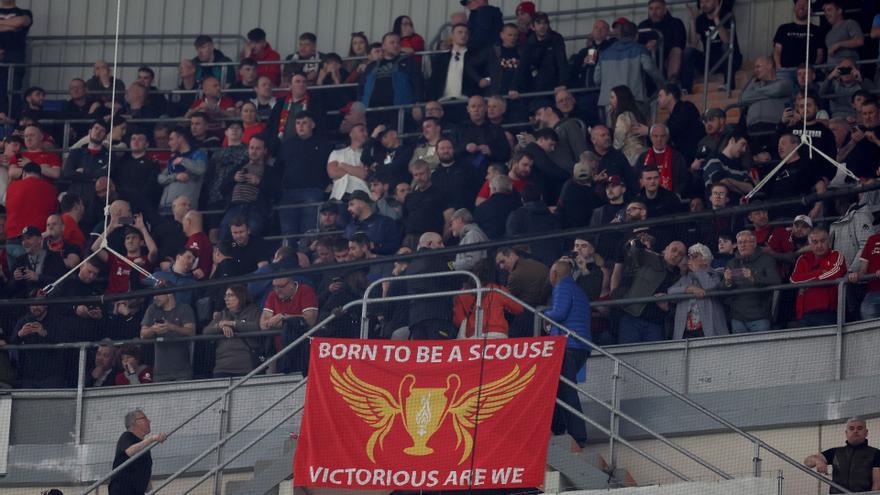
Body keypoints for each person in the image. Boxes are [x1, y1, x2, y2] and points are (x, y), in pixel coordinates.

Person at [542, 260, 591, 448]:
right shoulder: (578, 290)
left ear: (554, 273)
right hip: (580, 347)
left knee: (567, 391)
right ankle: (559, 429)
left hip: (567, 346)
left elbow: (559, 313)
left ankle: (578, 436)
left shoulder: (562, 287)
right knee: (559, 389)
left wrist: (542, 314)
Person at [618, 240, 686, 344]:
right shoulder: (650, 258)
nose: (676, 255)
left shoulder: (680, 278)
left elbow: (679, 307)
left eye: (680, 254)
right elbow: (631, 250)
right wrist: (639, 241)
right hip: (632, 315)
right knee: (628, 354)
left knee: (654, 359)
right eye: (674, 250)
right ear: (666, 249)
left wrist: (667, 308)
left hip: (656, 323)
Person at [277, 111, 332, 236]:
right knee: (288, 233)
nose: (300, 126)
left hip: (312, 191)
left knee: (309, 232)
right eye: (297, 123)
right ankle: (287, 255)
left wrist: (325, 186)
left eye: (304, 123)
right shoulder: (286, 145)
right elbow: (278, 168)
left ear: (312, 125)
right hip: (288, 192)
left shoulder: (324, 145)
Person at [595, 21, 664, 119]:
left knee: (613, 132)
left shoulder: (605, 53)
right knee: (635, 131)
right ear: (636, 36)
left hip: (609, 101)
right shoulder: (639, 49)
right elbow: (650, 68)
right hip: (634, 98)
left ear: (619, 35)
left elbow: (596, 79)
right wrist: (662, 84)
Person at [680, 0, 742, 94]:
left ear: (717, 2)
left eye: (707, 1)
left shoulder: (727, 15)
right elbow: (693, 44)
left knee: (725, 47)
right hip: (710, 60)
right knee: (688, 51)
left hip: (730, 60)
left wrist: (716, 19)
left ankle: (729, 85)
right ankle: (685, 89)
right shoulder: (701, 19)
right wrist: (692, 21)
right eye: (701, 2)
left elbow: (727, 40)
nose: (704, 5)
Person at [804, 417, 880, 493]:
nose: (855, 431)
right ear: (846, 433)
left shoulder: (876, 454)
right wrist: (818, 461)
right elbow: (807, 462)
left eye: (859, 428)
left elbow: (877, 484)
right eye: (851, 428)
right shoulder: (835, 452)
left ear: (866, 432)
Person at [668, 243, 728, 339]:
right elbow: (670, 292)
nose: (691, 259)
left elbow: (710, 287)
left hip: (708, 330)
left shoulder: (714, 274)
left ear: (705, 259)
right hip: (686, 332)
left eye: (695, 256)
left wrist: (698, 270)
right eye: (690, 256)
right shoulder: (685, 278)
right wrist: (688, 289)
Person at [204, 284, 265, 378]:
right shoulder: (221, 315)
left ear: (241, 296)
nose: (226, 299)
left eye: (231, 295)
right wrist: (220, 326)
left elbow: (257, 327)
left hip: (247, 368)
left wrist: (232, 324)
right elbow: (206, 332)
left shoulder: (254, 311)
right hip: (222, 368)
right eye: (225, 296)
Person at [790, 228, 846, 328]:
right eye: (815, 242)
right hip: (804, 314)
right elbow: (794, 280)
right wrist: (820, 273)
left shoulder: (836, 255)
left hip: (828, 312)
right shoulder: (803, 258)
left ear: (828, 242)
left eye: (823, 241)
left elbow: (835, 273)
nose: (819, 245)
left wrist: (807, 281)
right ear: (810, 245)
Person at [108, 410, 167, 495]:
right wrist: (152, 439)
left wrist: (150, 490)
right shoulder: (126, 437)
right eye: (144, 418)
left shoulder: (144, 446)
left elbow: (144, 470)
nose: (149, 421)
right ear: (134, 423)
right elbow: (129, 451)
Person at [140, 292, 196, 381]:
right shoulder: (152, 308)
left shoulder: (184, 308)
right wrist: (153, 329)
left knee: (183, 395)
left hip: (182, 371)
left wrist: (171, 327)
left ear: (169, 294)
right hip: (160, 371)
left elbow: (191, 331)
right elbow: (142, 334)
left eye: (158, 294)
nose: (155, 297)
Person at [773, 0, 825, 87]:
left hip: (807, 73)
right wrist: (779, 68)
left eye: (805, 5)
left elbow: (820, 54)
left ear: (810, 9)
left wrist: (812, 70)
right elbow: (777, 51)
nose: (801, 7)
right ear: (794, 8)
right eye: (799, 4)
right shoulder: (783, 28)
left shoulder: (817, 30)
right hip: (786, 72)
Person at [158, 127, 207, 215]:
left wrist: (182, 160)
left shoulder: (198, 154)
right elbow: (160, 178)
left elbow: (201, 169)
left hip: (185, 207)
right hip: (165, 206)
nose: (169, 143)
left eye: (171, 139)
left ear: (180, 139)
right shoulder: (173, 159)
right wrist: (175, 177)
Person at [635, 124, 693, 199]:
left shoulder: (677, 157)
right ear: (651, 138)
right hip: (647, 199)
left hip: (670, 199)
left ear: (667, 138)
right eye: (655, 136)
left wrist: (677, 194)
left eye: (662, 136)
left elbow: (684, 180)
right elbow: (636, 179)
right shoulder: (643, 158)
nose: (659, 139)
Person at [739, 56, 792, 132]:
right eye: (754, 68)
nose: (755, 70)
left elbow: (777, 90)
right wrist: (766, 93)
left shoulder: (783, 82)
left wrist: (755, 93)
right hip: (753, 126)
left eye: (758, 67)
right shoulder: (754, 84)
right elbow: (743, 98)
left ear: (770, 65)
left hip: (775, 126)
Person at [638, 0, 687, 82]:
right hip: (648, 56)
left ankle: (671, 85)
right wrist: (647, 45)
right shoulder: (643, 25)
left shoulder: (676, 23)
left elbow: (680, 43)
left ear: (664, 10)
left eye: (657, 8)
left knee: (677, 51)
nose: (654, 12)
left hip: (668, 56)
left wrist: (659, 44)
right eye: (651, 9)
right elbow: (638, 43)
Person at [519, 12, 569, 93]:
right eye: (538, 23)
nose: (542, 26)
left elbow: (562, 62)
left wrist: (563, 83)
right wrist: (513, 88)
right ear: (532, 26)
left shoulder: (556, 39)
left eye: (545, 23)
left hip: (554, 86)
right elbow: (522, 65)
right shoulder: (529, 42)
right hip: (535, 87)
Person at [658, 83, 705, 163]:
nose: (658, 99)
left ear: (670, 96)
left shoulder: (686, 107)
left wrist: (649, 131)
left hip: (694, 156)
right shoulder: (670, 118)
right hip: (682, 158)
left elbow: (676, 128)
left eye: (660, 96)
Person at [344, 190, 401, 255]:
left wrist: (373, 246)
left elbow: (394, 247)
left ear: (362, 203)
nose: (348, 209)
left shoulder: (385, 222)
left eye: (351, 204)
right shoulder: (350, 227)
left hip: (380, 263)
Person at [0, 0, 32, 117]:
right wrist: (11, 26)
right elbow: (16, 24)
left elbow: (22, 21)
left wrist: (2, 25)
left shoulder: (24, 12)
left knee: (14, 86)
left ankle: (14, 117)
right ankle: (2, 113)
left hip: (15, 53)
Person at [607, 85, 649, 167]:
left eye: (612, 97)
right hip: (642, 153)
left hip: (632, 157)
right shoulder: (634, 113)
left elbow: (618, 143)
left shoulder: (623, 117)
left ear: (620, 99)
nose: (609, 101)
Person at [823, 0, 864, 65]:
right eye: (825, 11)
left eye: (829, 10)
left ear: (839, 10)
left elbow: (859, 41)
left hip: (847, 69)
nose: (826, 13)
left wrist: (838, 44)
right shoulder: (828, 35)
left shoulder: (849, 23)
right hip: (831, 71)